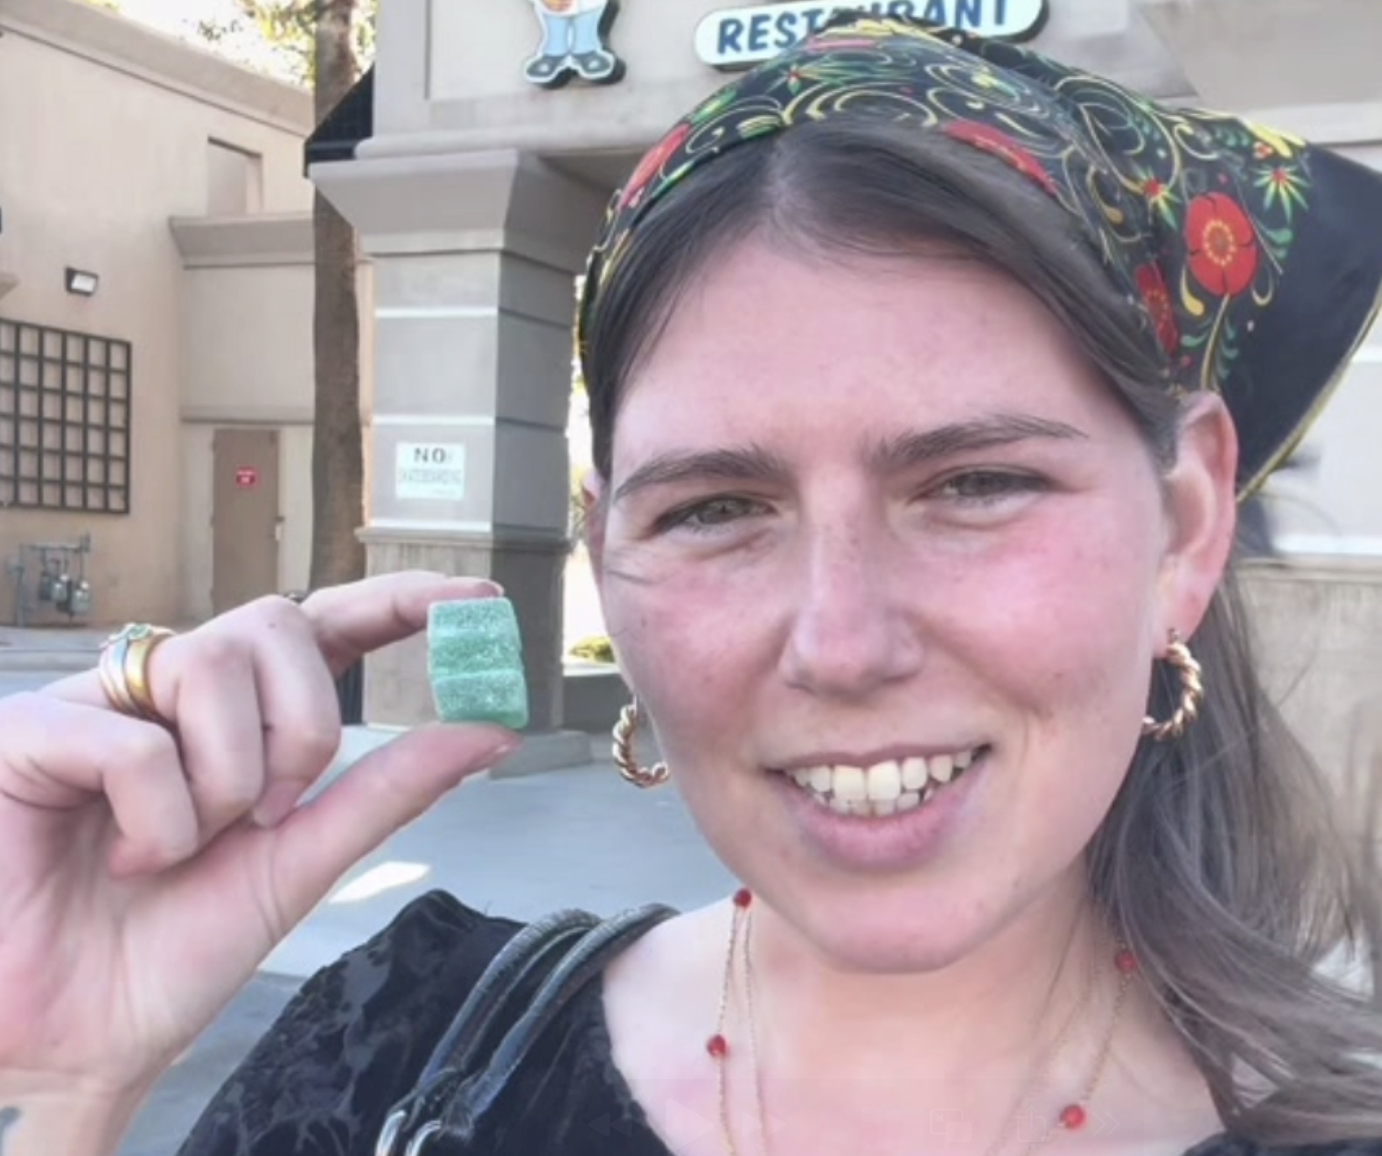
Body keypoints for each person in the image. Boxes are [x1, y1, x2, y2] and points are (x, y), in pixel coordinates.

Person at [3, 13, 1382, 1156]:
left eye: (974, 484)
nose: (840, 644)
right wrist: (64, 1090)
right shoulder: (390, 1060)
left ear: (1183, 526)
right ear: (607, 554)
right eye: (718, 509)